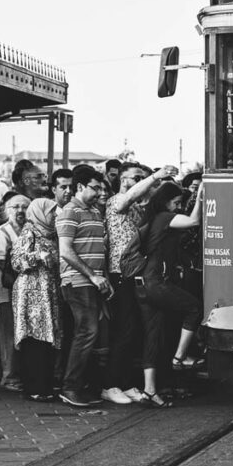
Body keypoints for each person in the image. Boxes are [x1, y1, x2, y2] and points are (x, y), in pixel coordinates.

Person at [101, 164, 177, 406]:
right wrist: (156, 176)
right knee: (124, 330)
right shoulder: (115, 201)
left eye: (143, 178)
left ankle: (124, 382)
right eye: (137, 178)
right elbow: (129, 198)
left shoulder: (138, 209)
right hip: (119, 272)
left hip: (135, 273)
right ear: (123, 180)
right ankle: (110, 384)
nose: (142, 182)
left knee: (134, 331)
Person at [136, 181, 204, 408]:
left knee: (152, 337)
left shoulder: (152, 219)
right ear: (166, 201)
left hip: (143, 284)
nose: (178, 207)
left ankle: (149, 390)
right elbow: (194, 221)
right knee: (194, 307)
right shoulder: (164, 217)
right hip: (157, 282)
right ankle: (180, 357)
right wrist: (201, 194)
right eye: (176, 202)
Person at [56, 165, 112, 407]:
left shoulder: (94, 212)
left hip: (92, 281)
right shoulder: (70, 211)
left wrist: (102, 278)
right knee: (86, 332)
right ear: (80, 187)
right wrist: (93, 276)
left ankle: (80, 385)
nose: (100, 192)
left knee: (90, 333)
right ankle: (70, 387)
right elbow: (66, 251)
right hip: (77, 281)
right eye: (95, 187)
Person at [10, 197, 64, 402]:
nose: (54, 215)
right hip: (31, 294)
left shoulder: (51, 233)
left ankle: (45, 385)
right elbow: (16, 261)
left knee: (47, 338)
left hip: (48, 292)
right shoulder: (29, 231)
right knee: (34, 338)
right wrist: (38, 257)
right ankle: (34, 386)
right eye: (51, 211)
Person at [0, 194, 30, 392]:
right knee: (9, 330)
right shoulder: (2, 232)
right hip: (7, 288)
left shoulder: (31, 230)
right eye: (15, 207)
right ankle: (9, 375)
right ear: (7, 210)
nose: (20, 211)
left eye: (24, 207)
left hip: (27, 290)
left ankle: (20, 372)